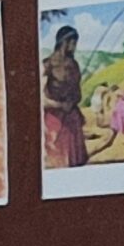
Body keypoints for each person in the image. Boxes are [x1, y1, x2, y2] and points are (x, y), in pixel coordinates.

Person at [42, 26, 90, 168]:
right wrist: (59, 105)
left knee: (76, 161)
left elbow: (78, 93)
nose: (75, 47)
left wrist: (72, 101)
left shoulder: (74, 65)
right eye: (73, 43)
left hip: (72, 119)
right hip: (54, 120)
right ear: (64, 42)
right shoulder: (47, 65)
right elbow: (39, 98)